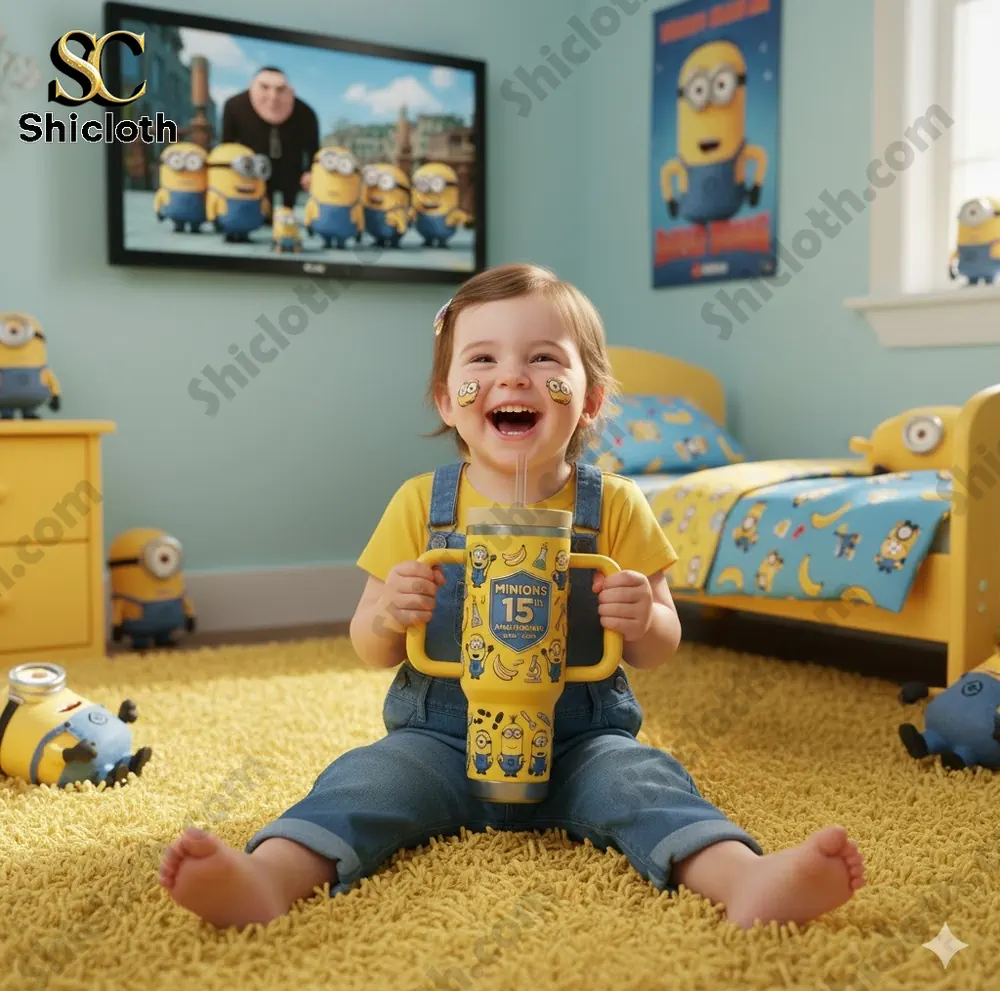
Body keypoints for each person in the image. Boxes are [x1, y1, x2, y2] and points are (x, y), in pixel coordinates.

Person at [158, 263, 866, 931]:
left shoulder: (615, 505)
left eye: (544, 359)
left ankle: (743, 878)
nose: (513, 377)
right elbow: (368, 645)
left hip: (579, 745)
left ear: (588, 399)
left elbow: (662, 642)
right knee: (363, 781)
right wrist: (387, 612)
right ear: (448, 399)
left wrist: (642, 615)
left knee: (646, 781)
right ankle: (269, 878)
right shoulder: (420, 505)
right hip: (438, 742)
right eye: (483, 360)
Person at [221, 66, 319, 212]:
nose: (273, 97)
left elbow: (313, 149)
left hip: (290, 172)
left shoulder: (306, 113)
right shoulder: (235, 106)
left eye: (280, 89)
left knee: (287, 213)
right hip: (250, 171)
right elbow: (226, 146)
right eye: (265, 88)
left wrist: (311, 172)